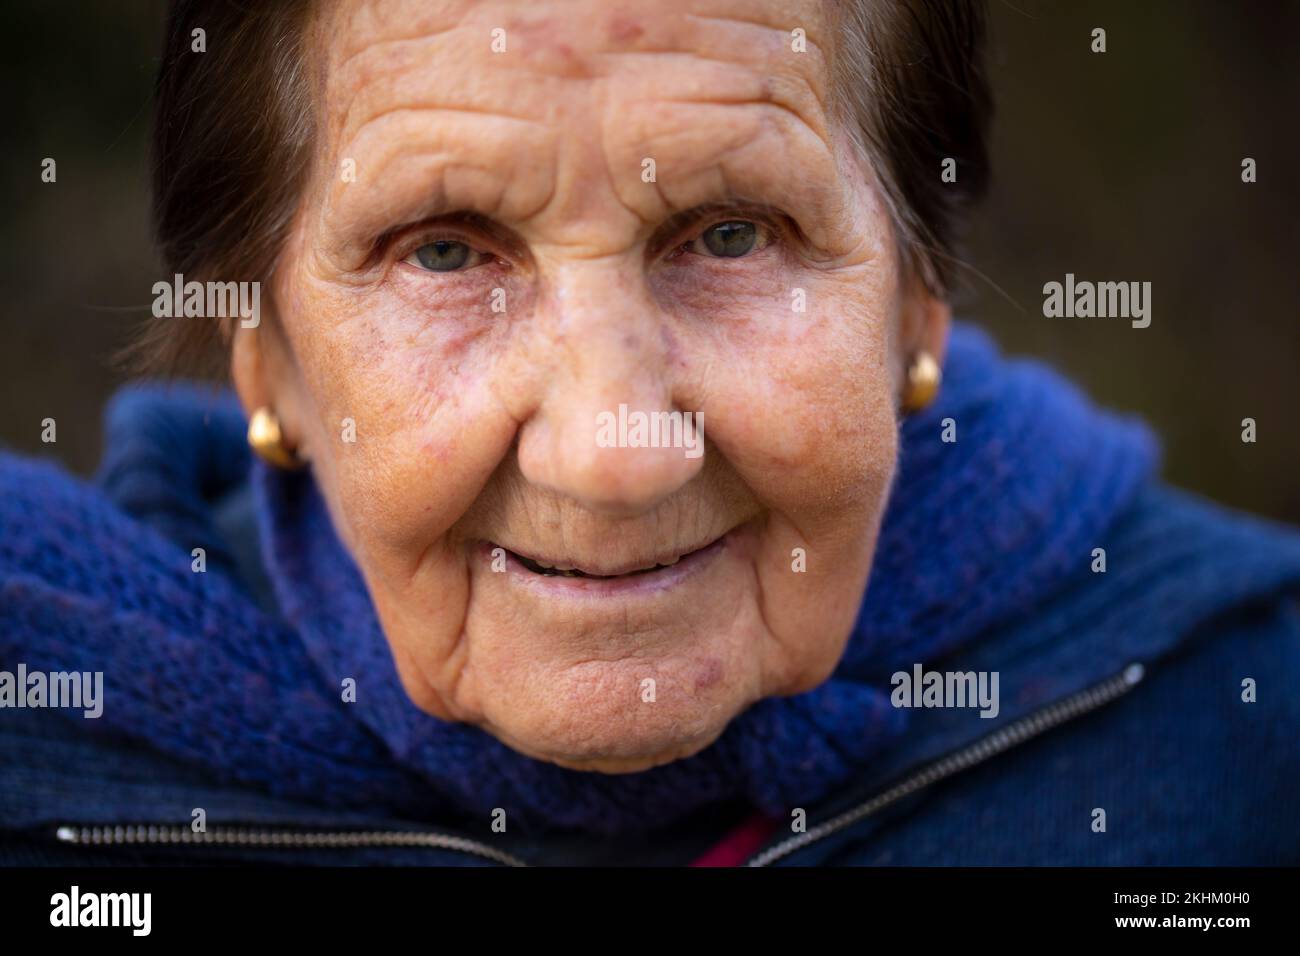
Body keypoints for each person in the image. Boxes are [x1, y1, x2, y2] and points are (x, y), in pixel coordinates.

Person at [2, 0, 1298, 866]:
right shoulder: (43, 752)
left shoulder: (1251, 726)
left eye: (732, 233)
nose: (611, 457)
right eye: (445, 251)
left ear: (917, 308)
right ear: (263, 357)